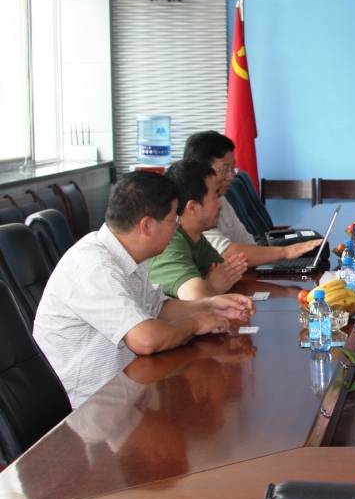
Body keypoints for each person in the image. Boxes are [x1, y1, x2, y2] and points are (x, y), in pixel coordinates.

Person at [32, 171, 256, 408]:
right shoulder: (94, 266)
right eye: (173, 220)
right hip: (86, 412)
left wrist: (209, 306)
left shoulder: (127, 256)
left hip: (125, 396)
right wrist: (196, 323)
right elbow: (145, 340)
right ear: (147, 225)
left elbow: (158, 309)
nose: (177, 228)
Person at [183, 131, 321, 264]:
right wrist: (285, 252)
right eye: (225, 170)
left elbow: (247, 243)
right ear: (201, 170)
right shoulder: (191, 206)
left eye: (233, 169)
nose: (231, 177)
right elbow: (225, 253)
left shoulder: (220, 199)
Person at [147, 160, 248, 299]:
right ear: (193, 208)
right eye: (214, 197)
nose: (219, 204)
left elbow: (224, 274)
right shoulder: (170, 241)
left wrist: (213, 284)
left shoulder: (196, 238)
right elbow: (195, 296)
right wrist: (212, 288)